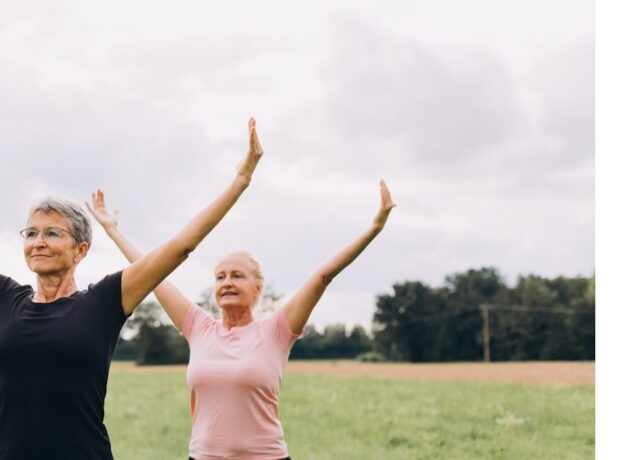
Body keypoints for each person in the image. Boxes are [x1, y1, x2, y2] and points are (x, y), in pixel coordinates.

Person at [0, 118, 264, 460]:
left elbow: (181, 247)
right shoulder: (4, 297)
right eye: (31, 233)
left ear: (81, 249)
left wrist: (241, 182)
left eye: (52, 233)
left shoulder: (105, 301)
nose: (37, 241)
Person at [85, 180, 395, 460]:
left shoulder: (276, 331)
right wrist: (113, 230)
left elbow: (322, 276)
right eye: (220, 277)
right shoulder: (198, 327)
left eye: (237, 275)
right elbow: (150, 273)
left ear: (258, 288)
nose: (227, 282)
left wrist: (374, 228)